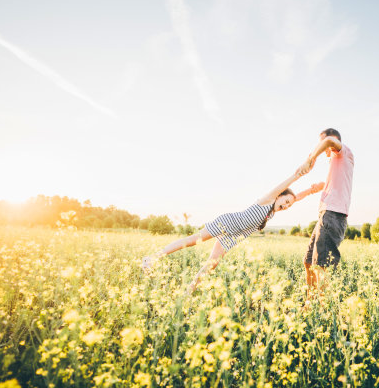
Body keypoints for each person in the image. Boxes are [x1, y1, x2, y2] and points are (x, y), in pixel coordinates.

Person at [141, 170, 324, 294]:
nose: (285, 205)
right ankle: (152, 258)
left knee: (212, 263)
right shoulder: (268, 199)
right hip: (227, 223)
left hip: (234, 236)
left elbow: (295, 198)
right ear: (279, 195)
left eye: (288, 206)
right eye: (285, 201)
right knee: (192, 240)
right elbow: (287, 183)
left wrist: (311, 191)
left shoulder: (273, 211)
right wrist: (301, 172)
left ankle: (189, 291)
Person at [297, 128, 354, 300]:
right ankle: (310, 303)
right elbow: (334, 183)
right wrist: (318, 187)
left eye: (322, 143)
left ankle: (324, 309)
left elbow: (328, 142)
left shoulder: (343, 152)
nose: (323, 149)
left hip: (333, 215)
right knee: (308, 262)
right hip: (325, 216)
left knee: (320, 266)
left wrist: (311, 158)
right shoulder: (336, 164)